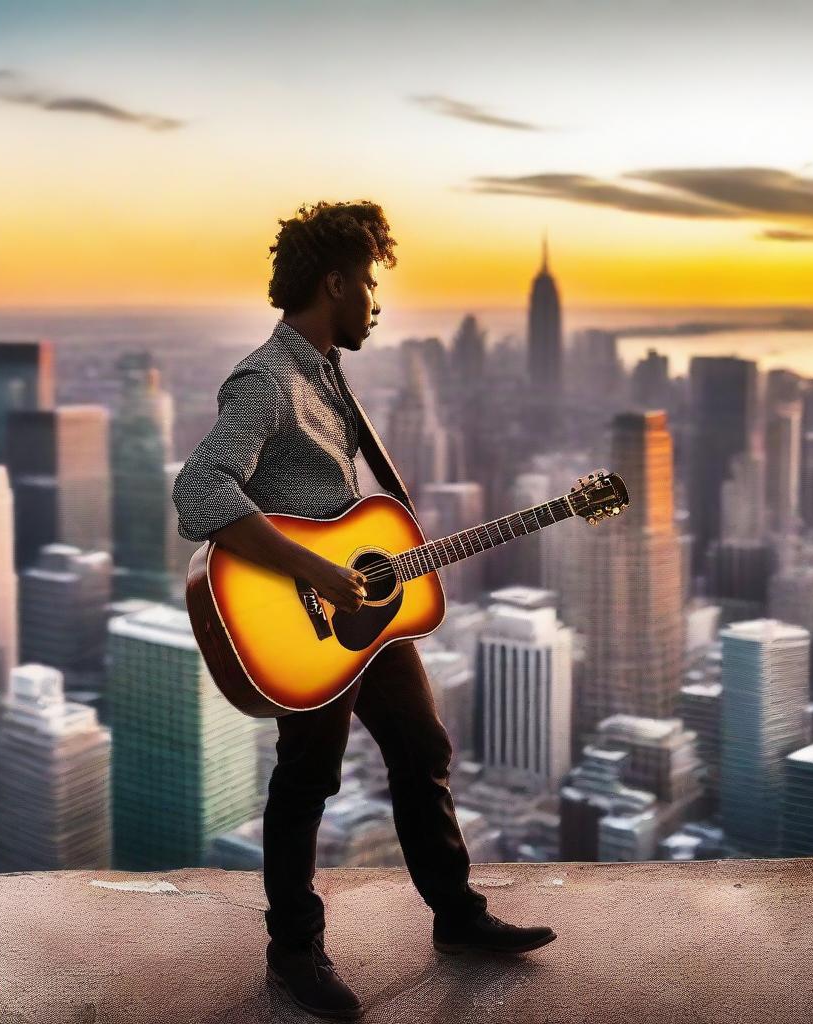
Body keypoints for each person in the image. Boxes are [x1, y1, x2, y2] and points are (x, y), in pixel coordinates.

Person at [173, 200, 557, 1020]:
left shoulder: (324, 372)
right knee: (308, 778)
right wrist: (318, 570)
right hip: (300, 621)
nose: (379, 305)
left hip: (365, 615)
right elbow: (199, 490)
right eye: (372, 286)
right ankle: (294, 953)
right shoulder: (266, 378)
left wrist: (353, 568)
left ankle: (456, 918)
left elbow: (341, 508)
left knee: (422, 747)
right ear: (336, 282)